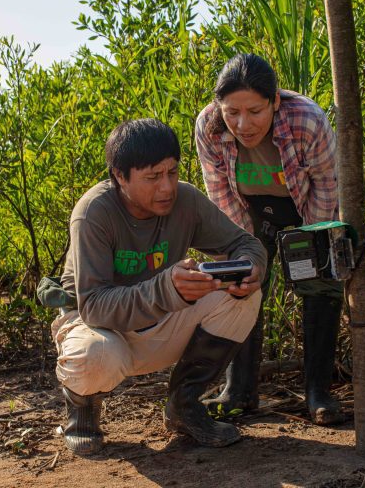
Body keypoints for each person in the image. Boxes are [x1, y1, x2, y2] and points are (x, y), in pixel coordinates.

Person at [50, 118, 268, 455]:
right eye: (152, 177)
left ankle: (184, 405)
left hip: (159, 322)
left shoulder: (185, 200)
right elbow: (93, 306)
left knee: (243, 297)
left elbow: (246, 244)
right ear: (119, 177)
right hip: (100, 330)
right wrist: (167, 289)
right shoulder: (94, 212)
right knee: (94, 356)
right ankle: (82, 410)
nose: (166, 187)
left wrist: (251, 269)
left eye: (171, 172)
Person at [195, 53, 345, 425]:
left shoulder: (307, 120)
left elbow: (327, 187)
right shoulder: (209, 127)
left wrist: (311, 246)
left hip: (306, 207)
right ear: (219, 106)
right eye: (232, 112)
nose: (243, 124)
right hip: (250, 211)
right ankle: (240, 392)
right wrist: (248, 257)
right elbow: (220, 195)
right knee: (241, 284)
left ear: (275, 101)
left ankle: (318, 394)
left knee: (320, 284)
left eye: (255, 111)